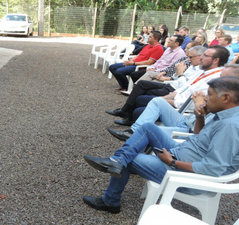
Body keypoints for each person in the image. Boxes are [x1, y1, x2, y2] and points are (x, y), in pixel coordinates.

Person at [83, 76, 239, 214]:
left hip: (189, 175)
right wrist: (199, 118)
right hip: (184, 152)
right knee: (148, 128)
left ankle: (110, 201)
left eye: (210, 95)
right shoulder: (225, 113)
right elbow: (200, 137)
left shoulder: (230, 126)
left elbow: (213, 169)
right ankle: (117, 161)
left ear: (225, 98)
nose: (205, 99)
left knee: (131, 159)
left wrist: (172, 162)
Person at [107, 64, 239, 140]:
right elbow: (186, 88)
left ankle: (128, 156)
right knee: (154, 100)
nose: (218, 78)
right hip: (186, 118)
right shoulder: (204, 75)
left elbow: (200, 139)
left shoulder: (229, 113)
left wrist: (173, 161)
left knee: (143, 120)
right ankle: (131, 134)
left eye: (222, 77)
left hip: (188, 127)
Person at [105, 45, 210, 120]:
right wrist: (173, 75)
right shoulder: (192, 66)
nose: (188, 58)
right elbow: (176, 77)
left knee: (142, 95)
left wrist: (179, 73)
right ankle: (126, 111)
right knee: (142, 84)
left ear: (200, 56)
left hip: (174, 91)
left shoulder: (201, 71)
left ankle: (130, 117)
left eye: (190, 57)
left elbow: (184, 87)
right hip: (172, 85)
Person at [135, 41, 200, 83]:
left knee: (148, 82)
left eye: (188, 48)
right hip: (164, 74)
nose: (185, 49)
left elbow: (178, 77)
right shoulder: (184, 58)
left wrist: (164, 78)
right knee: (149, 73)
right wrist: (162, 73)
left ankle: (134, 90)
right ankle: (134, 89)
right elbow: (170, 66)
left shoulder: (191, 63)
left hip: (169, 79)